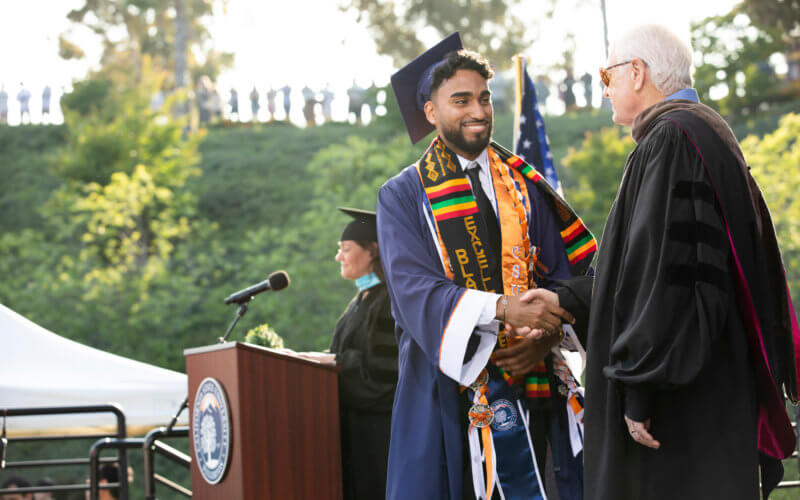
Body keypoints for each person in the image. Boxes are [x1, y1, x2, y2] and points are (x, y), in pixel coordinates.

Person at [543, 24, 799, 500]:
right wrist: (565, 297)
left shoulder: (672, 139)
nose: (606, 89)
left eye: (608, 75)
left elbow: (662, 281)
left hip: (679, 407)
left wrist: (641, 385)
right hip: (711, 385)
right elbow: (644, 271)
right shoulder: (704, 131)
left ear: (636, 73)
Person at [378, 33, 594, 500]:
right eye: (461, 100)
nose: (478, 111)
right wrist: (504, 310)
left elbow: (564, 279)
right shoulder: (403, 195)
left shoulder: (525, 185)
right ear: (431, 112)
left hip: (537, 385)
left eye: (483, 98)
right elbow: (414, 290)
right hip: (450, 397)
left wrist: (548, 336)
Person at [296, 208, 398, 499]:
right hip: (355, 430)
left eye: (345, 249)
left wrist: (331, 362)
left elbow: (384, 371)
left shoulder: (390, 299)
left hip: (381, 435)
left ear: (373, 250)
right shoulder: (359, 300)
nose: (338, 257)